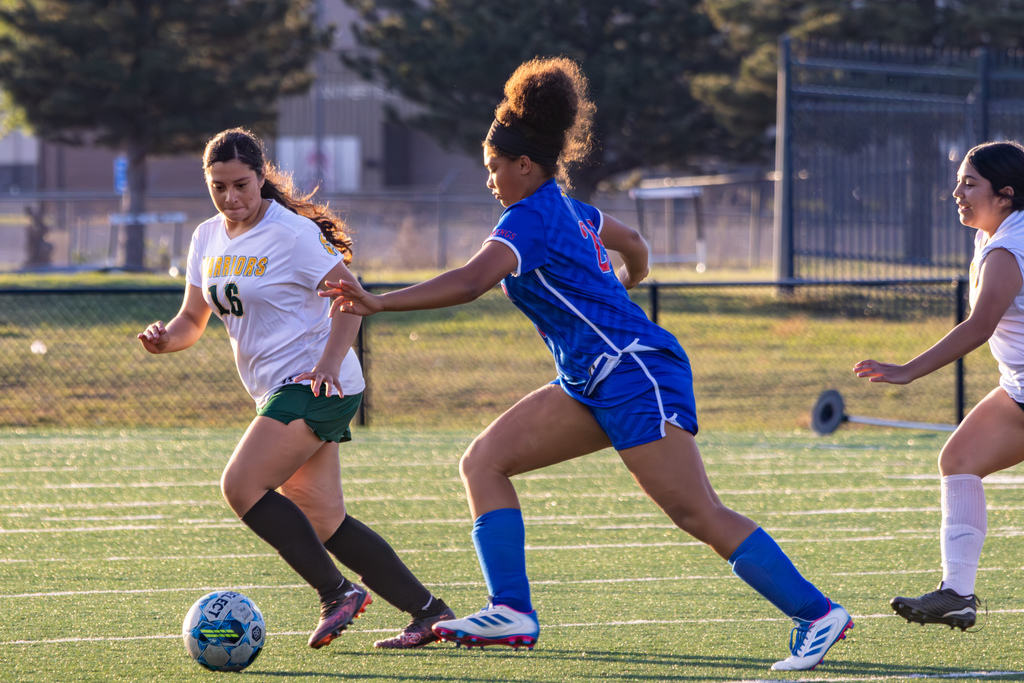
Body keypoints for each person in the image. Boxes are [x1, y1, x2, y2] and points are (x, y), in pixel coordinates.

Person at [322, 58, 852, 671]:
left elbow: (470, 282)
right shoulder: (571, 211)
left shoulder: (529, 219)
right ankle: (512, 611)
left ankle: (817, 614)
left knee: (694, 511)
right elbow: (637, 246)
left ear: (525, 165)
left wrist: (379, 300)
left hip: (632, 372)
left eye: (495, 168)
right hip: (594, 377)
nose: (490, 179)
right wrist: (627, 282)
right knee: (484, 462)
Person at [138, 128, 454, 650]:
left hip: (316, 383)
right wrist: (163, 339)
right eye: (218, 187)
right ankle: (430, 614)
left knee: (240, 485)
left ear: (262, 177)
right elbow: (191, 321)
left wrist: (330, 361)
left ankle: (337, 594)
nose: (231, 198)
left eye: (241, 184)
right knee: (323, 515)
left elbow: (352, 299)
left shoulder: (292, 234)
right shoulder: (205, 238)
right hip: (277, 390)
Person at [855, 140, 1024, 631]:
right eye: (959, 181)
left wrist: (908, 369)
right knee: (959, 461)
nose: (958, 192)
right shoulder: (997, 234)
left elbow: (980, 325)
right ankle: (956, 594)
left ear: (1006, 195)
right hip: (1019, 386)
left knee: (958, 461)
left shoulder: (1007, 249)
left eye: (971, 184)